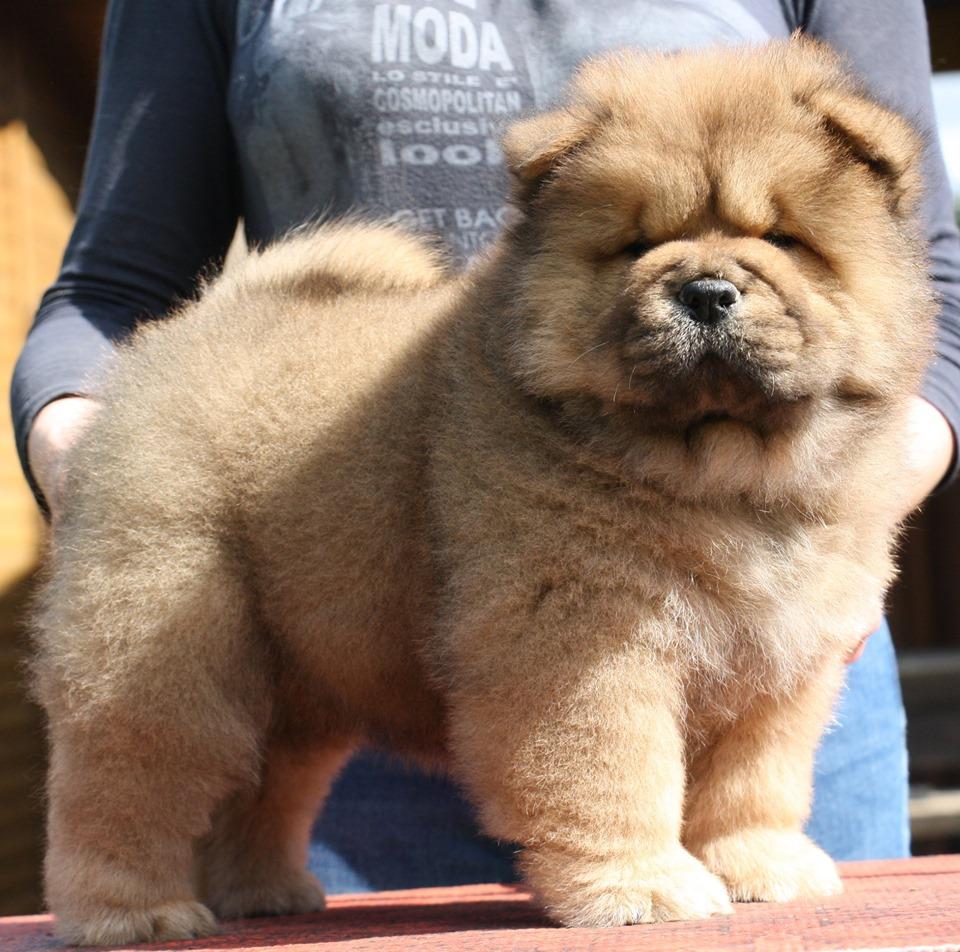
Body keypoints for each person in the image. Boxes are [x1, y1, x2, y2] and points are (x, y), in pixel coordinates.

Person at [12, 0, 960, 891]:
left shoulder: (860, 162)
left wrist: (864, 498)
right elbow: (109, 289)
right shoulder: (522, 438)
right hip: (367, 738)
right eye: (635, 247)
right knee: (176, 728)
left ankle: (743, 823)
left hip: (822, 644)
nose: (711, 280)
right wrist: (116, 486)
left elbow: (941, 287)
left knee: (773, 755)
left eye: (780, 240)